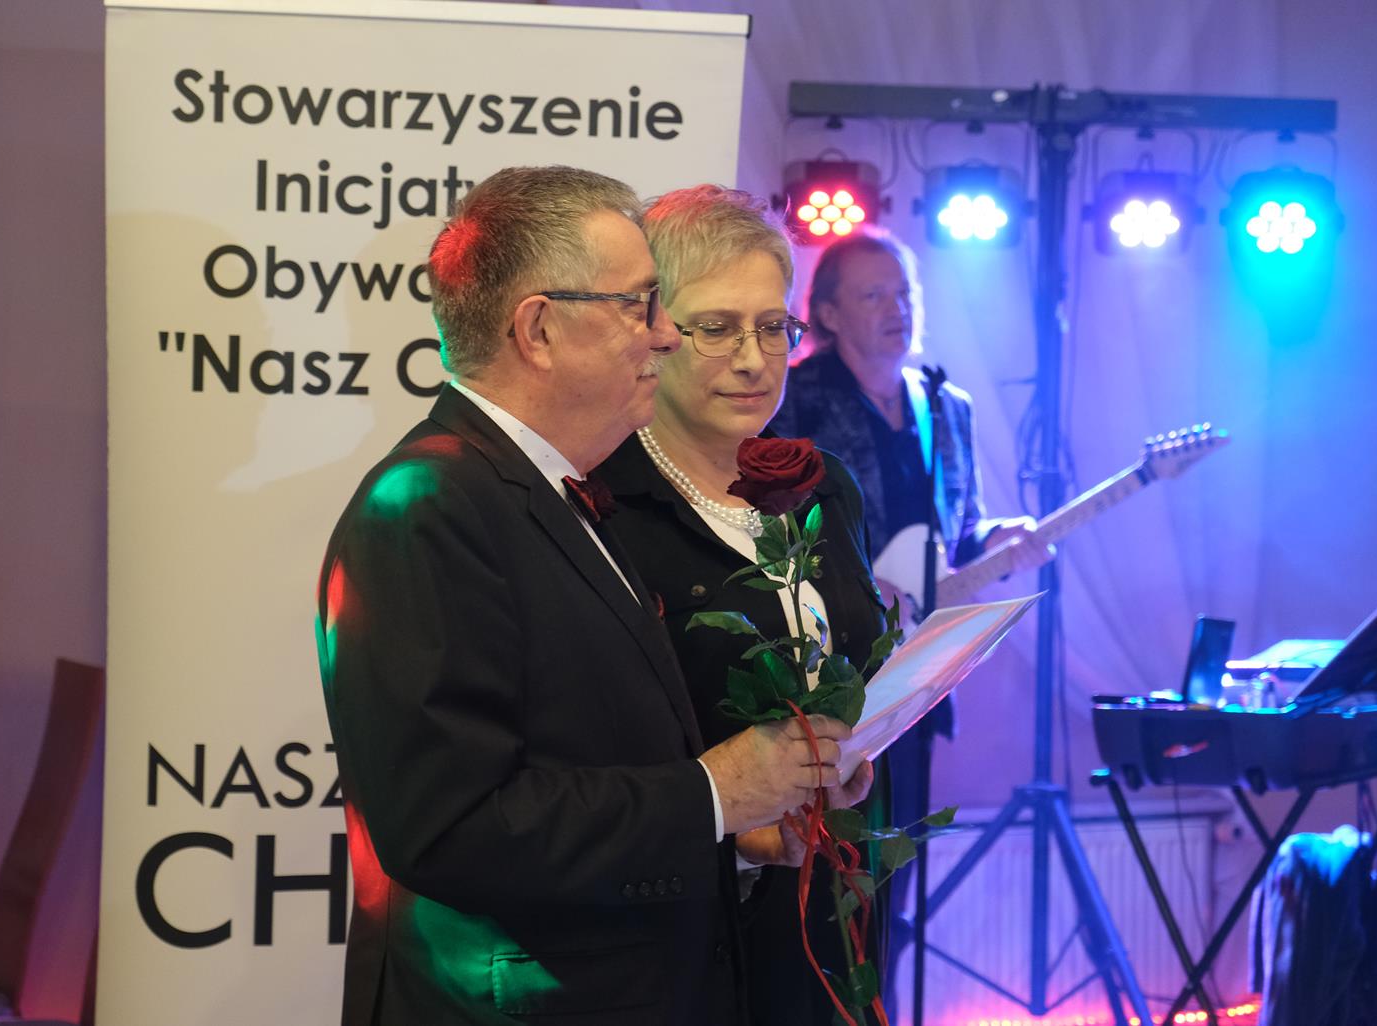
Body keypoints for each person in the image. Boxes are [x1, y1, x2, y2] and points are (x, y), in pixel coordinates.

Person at [316, 166, 853, 1026]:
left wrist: (739, 832)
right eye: (639, 306)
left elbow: (595, 754)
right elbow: (448, 828)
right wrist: (714, 793)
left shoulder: (550, 486)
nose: (664, 337)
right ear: (538, 329)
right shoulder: (426, 507)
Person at [597, 185, 890, 1025]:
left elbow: (854, 665)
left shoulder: (823, 485)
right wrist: (739, 826)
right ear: (651, 329)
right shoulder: (603, 503)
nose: (755, 359)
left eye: (771, 327)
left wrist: (856, 750)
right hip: (675, 937)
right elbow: (599, 748)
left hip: (826, 912)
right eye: (717, 328)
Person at [769, 228, 1053, 1012]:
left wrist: (995, 541)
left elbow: (954, 533)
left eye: (903, 293)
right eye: (873, 295)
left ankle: (880, 1008)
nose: (896, 308)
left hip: (919, 672)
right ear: (827, 314)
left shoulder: (945, 405)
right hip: (823, 673)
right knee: (820, 877)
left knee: (890, 874)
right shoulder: (794, 398)